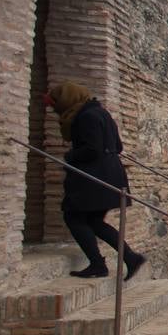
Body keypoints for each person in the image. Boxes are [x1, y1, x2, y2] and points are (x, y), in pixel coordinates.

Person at [44, 83, 148, 281]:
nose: (55, 109)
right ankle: (128, 258)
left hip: (95, 178)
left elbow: (93, 149)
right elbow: (117, 146)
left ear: (68, 99)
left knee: (73, 217)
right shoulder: (102, 113)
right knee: (93, 221)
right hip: (110, 174)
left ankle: (100, 263)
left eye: (56, 103)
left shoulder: (86, 117)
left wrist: (70, 156)